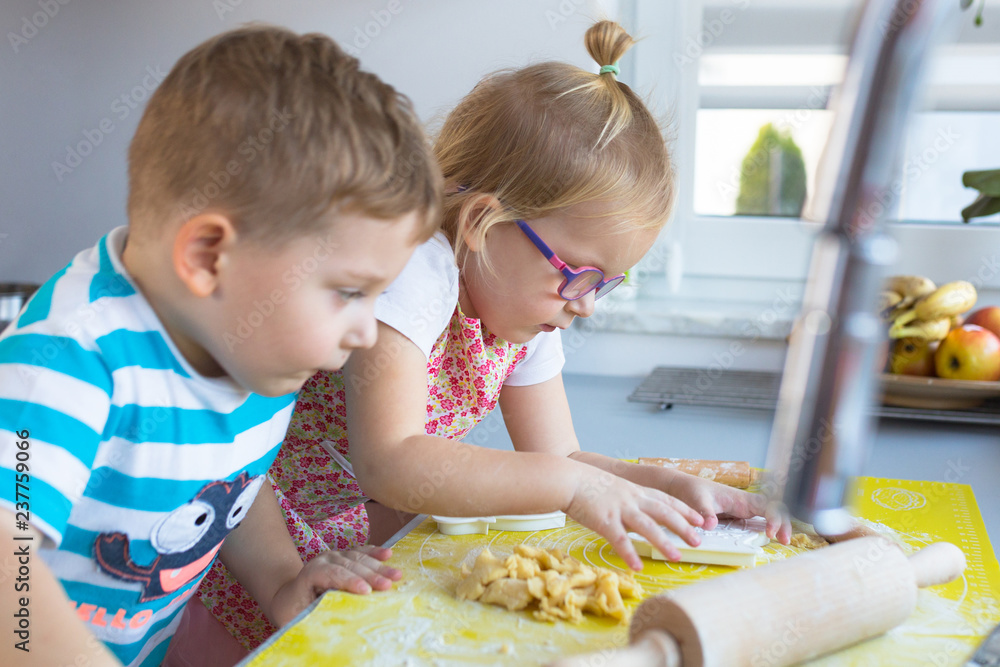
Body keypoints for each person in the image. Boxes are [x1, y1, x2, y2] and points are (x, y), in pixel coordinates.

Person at [198, 19, 792, 653]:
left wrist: (659, 484)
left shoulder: (524, 304)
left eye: (607, 283)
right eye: (580, 273)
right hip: (248, 545)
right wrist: (573, 489)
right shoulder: (416, 268)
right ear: (484, 222)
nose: (586, 305)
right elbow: (392, 458)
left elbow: (562, 458)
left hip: (334, 543)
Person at [0, 25, 441, 667]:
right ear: (210, 256)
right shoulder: (67, 363)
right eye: (348, 292)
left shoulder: (248, 354)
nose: (367, 331)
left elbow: (229, 477)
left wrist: (282, 583)